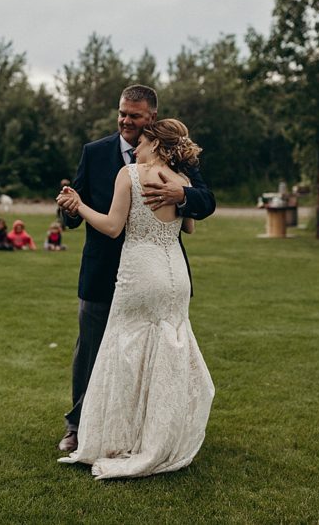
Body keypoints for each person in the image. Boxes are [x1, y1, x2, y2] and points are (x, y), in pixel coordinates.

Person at [54, 85, 216, 456]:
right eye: (122, 113)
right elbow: (75, 210)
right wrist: (68, 207)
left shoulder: (177, 159)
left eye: (135, 116)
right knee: (93, 350)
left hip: (151, 271)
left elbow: (206, 201)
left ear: (151, 118)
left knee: (150, 352)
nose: (126, 121)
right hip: (103, 270)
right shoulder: (94, 153)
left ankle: (142, 429)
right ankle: (78, 425)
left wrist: (183, 197)